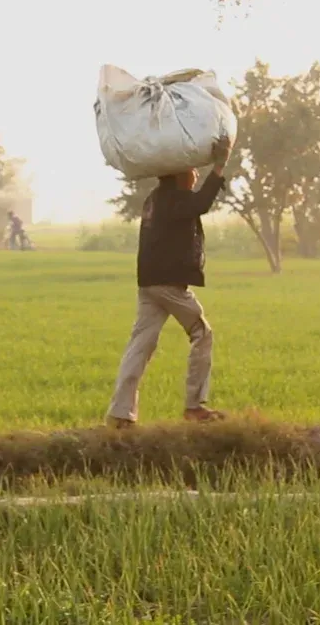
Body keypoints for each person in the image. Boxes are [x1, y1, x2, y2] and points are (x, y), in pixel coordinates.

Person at [106, 136, 233, 429]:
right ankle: (195, 407)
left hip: (148, 283)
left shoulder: (155, 199)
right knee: (202, 333)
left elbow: (195, 204)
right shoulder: (175, 199)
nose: (195, 173)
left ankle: (121, 414)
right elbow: (202, 203)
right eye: (191, 170)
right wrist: (219, 165)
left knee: (140, 345)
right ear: (177, 174)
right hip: (168, 284)